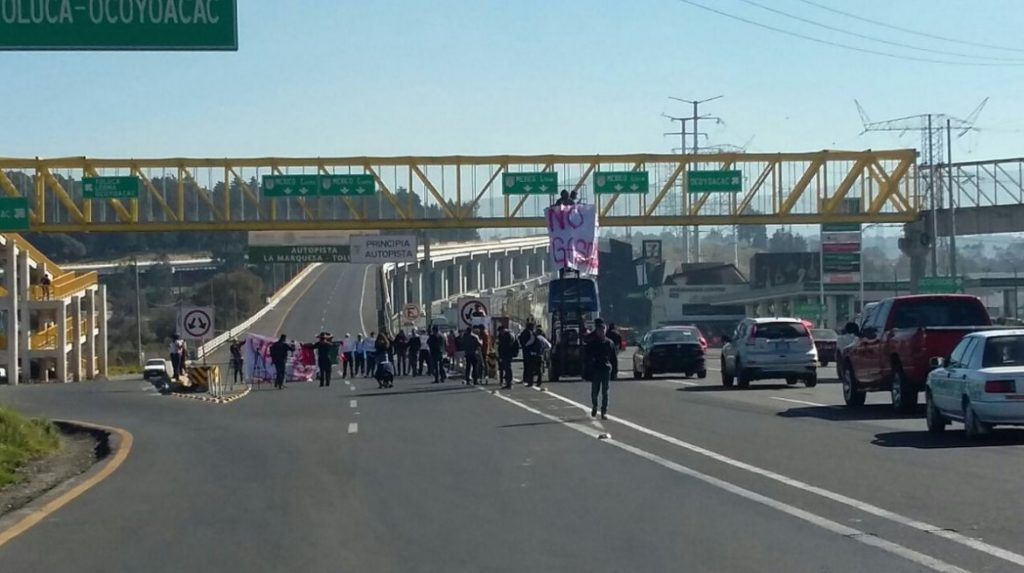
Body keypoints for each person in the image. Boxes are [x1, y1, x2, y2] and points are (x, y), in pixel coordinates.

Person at [583, 323, 617, 419]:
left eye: (603, 330)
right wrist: (587, 369)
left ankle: (604, 411)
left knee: (605, 391)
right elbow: (586, 356)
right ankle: (594, 406)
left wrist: (615, 371)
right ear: (597, 331)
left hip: (606, 368)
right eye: (599, 330)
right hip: (596, 369)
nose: (601, 332)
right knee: (595, 391)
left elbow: (613, 358)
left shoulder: (609, 343)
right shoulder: (593, 343)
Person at [497, 325, 519, 389]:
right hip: (503, 354)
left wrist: (514, 353)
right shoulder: (501, 335)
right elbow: (500, 345)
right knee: (505, 368)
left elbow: (510, 345)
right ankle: (507, 382)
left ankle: (509, 383)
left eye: (501, 331)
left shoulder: (509, 335)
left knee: (508, 368)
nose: (500, 333)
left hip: (508, 354)